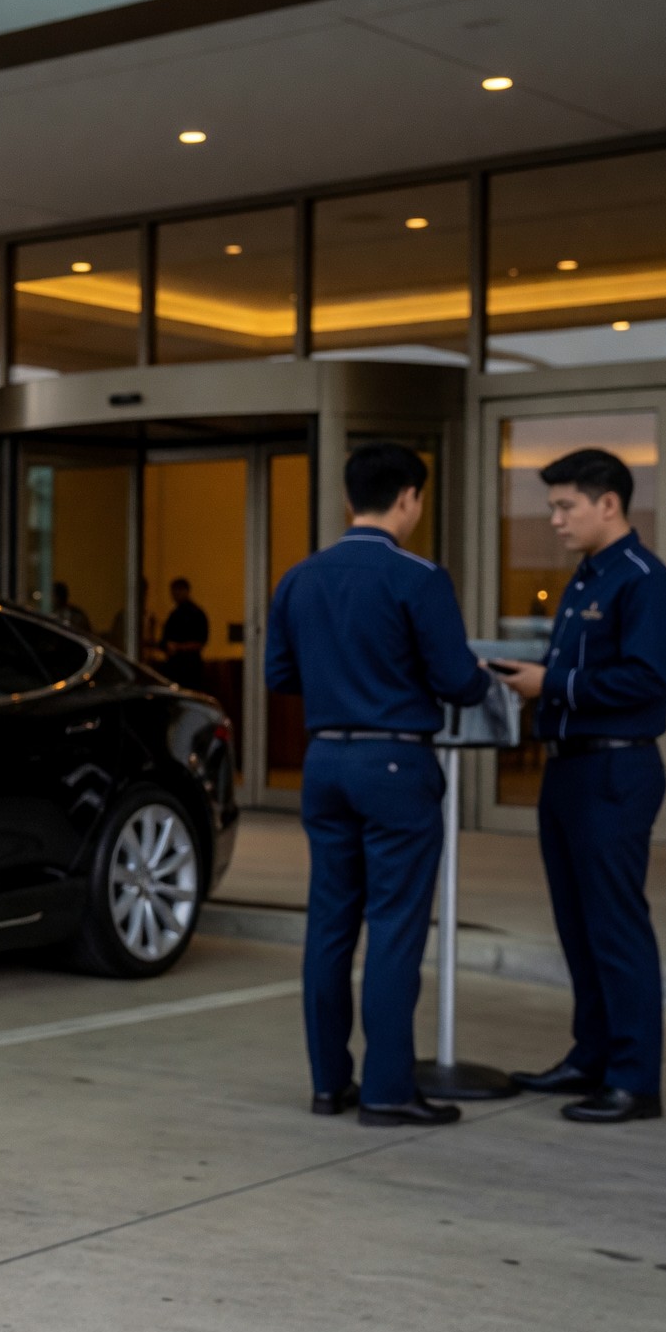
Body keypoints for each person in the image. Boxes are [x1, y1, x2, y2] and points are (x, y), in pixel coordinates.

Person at [265, 443, 488, 1127]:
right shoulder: (418, 578)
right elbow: (458, 681)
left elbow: (280, 678)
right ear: (409, 499)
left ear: (346, 498)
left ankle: (329, 1084)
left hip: (325, 761)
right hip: (395, 763)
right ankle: (389, 1090)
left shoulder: (299, 578)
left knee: (331, 924)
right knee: (394, 927)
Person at [489, 449, 666, 1124]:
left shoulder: (645, 581)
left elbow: (646, 681)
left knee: (615, 925)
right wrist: (528, 683)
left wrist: (553, 685)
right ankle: (592, 1056)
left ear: (610, 504)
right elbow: (574, 672)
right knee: (577, 924)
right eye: (552, 506)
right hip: (570, 767)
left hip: (615, 769)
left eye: (565, 505)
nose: (554, 519)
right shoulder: (584, 581)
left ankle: (635, 1081)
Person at [159, 576, 211, 690]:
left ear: (186, 591)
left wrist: (178, 647)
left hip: (190, 667)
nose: (174, 595)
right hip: (175, 666)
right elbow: (165, 639)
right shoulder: (174, 615)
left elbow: (201, 641)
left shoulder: (196, 614)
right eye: (173, 592)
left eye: (178, 591)